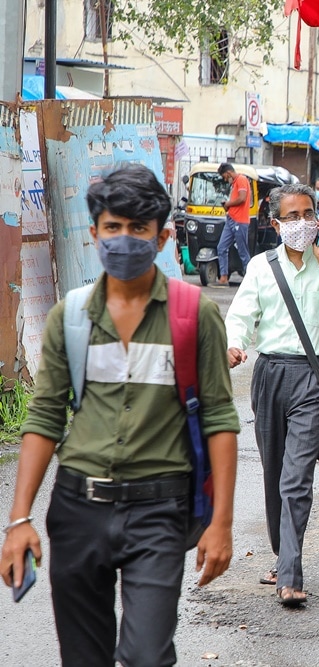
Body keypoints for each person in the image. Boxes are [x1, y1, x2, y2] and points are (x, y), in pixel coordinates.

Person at [0, 163, 240, 665]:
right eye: (113, 227)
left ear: (162, 237)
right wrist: (19, 518)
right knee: (83, 658)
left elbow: (219, 419)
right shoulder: (71, 316)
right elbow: (44, 417)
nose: (124, 239)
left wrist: (222, 523)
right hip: (78, 509)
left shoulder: (195, 314)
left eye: (138, 229)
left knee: (148, 656)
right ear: (94, 233)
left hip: (159, 512)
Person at [225, 183, 319, 607]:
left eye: (308, 214)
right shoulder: (263, 266)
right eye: (292, 216)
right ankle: (282, 555)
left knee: (296, 478)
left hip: (314, 377)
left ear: (318, 217)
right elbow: (241, 314)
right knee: (273, 475)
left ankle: (290, 575)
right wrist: (234, 342)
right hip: (269, 374)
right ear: (275, 223)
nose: (301, 223)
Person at [216, 162, 252, 286]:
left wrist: (228, 204)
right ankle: (224, 277)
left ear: (228, 173)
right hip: (231, 219)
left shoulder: (241, 179)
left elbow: (242, 198)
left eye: (225, 177)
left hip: (240, 221)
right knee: (221, 247)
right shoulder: (234, 184)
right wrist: (227, 205)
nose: (226, 180)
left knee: (243, 251)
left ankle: (250, 280)